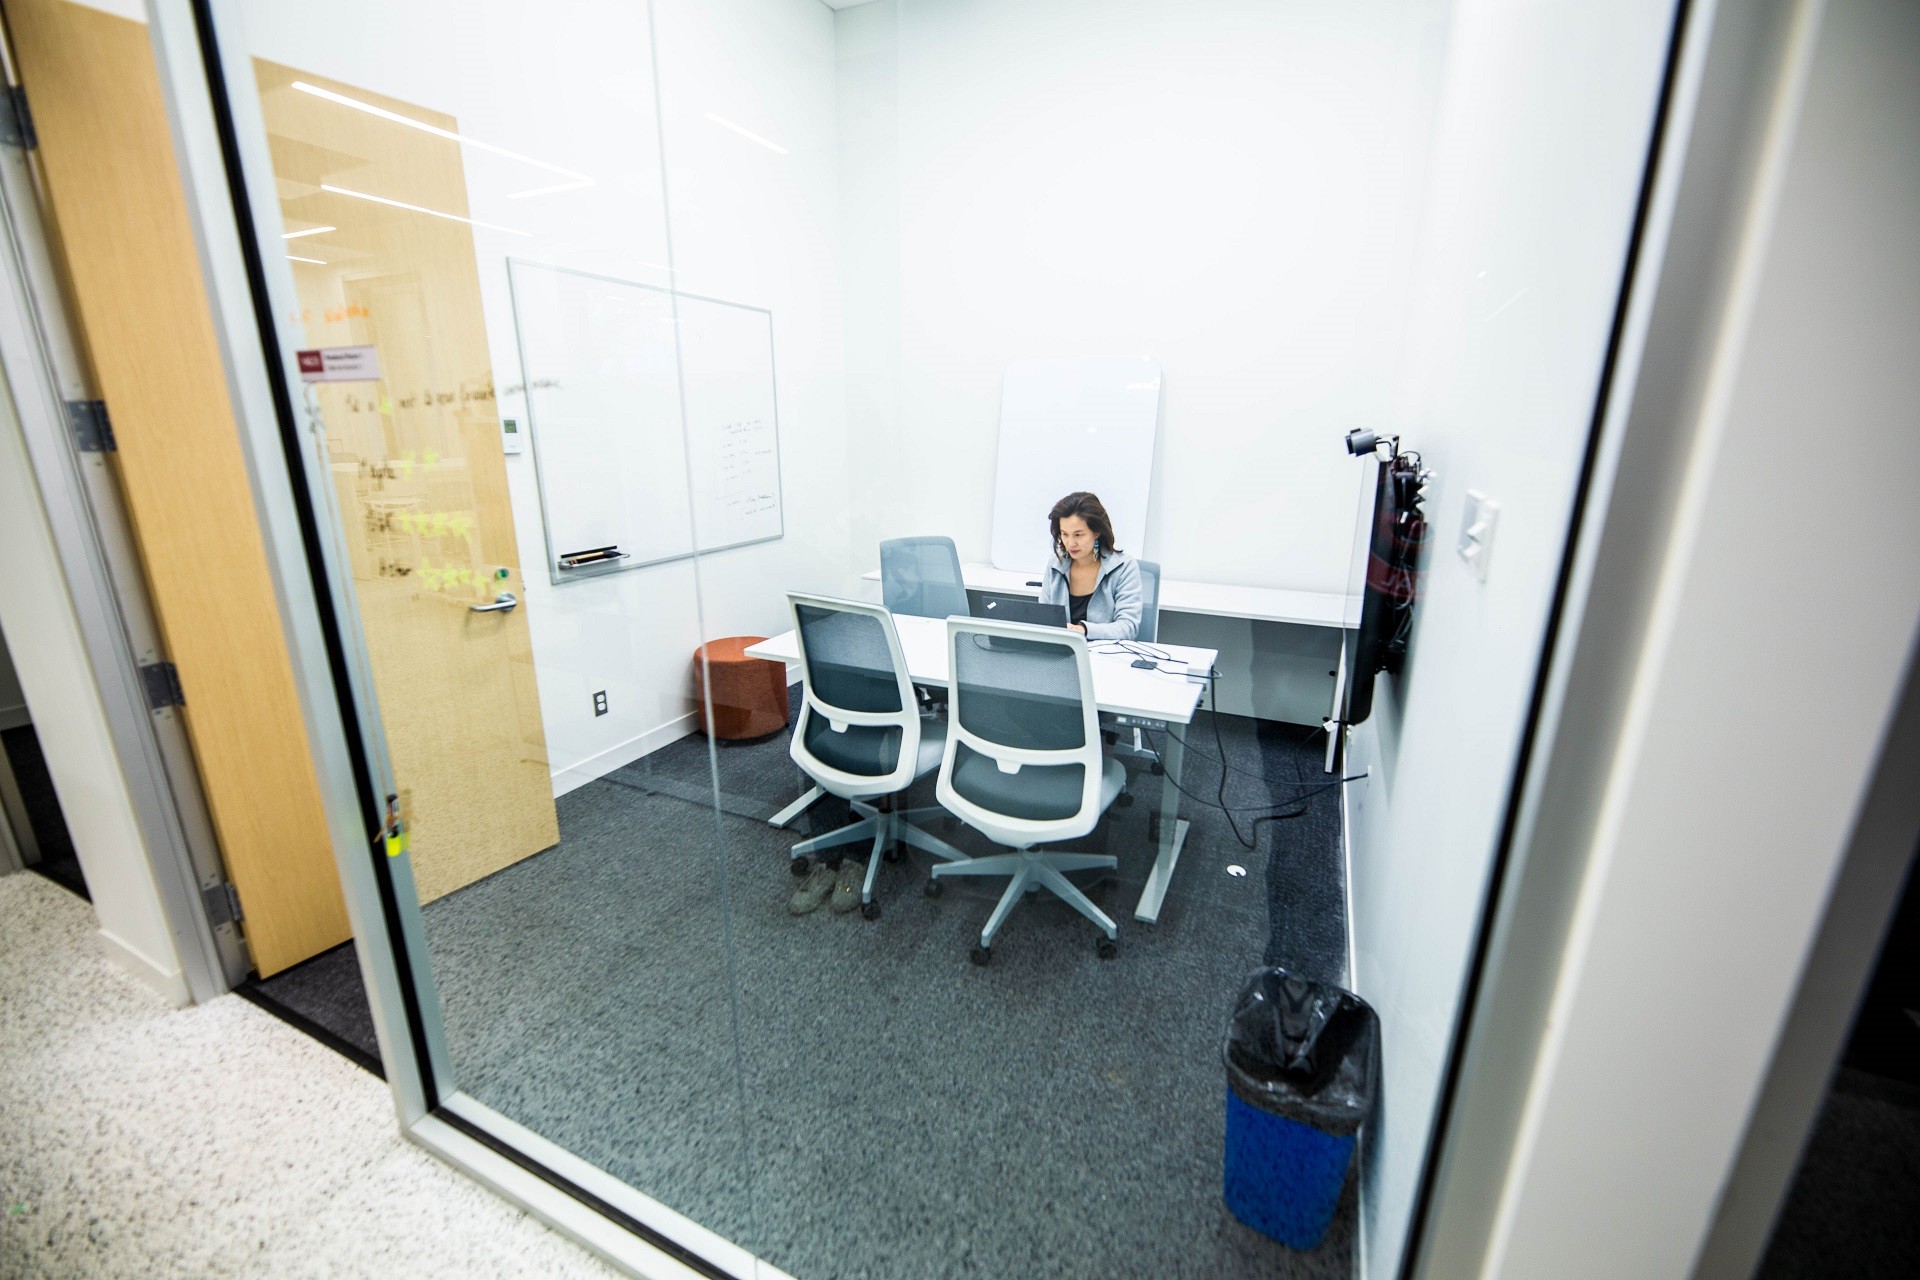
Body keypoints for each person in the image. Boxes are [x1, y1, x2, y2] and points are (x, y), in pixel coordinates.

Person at [1038, 491, 1142, 641]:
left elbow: (1128, 627)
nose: (1070, 543)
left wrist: (1082, 630)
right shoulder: (1055, 565)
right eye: (1065, 534)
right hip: (1061, 654)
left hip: (1106, 657)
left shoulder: (1124, 567)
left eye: (1078, 535)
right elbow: (1043, 618)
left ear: (1096, 532)